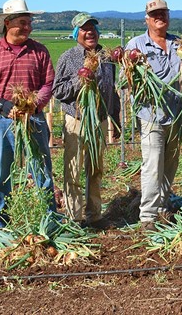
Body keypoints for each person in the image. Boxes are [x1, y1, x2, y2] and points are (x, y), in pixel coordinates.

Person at [0, 0, 56, 228]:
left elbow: (48, 83)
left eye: (29, 22)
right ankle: (1, 220)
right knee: (2, 172)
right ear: (7, 23)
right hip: (1, 121)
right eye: (22, 22)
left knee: (41, 171)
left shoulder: (39, 50)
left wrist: (35, 103)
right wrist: (2, 105)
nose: (27, 27)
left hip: (33, 119)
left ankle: (48, 218)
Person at [52, 13, 120, 230]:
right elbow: (58, 91)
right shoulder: (68, 57)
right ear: (76, 34)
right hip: (77, 121)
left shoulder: (107, 58)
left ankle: (94, 215)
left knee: (96, 170)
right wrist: (79, 79)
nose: (90, 32)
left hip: (98, 121)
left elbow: (112, 90)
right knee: (73, 170)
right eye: (84, 29)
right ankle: (75, 217)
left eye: (93, 28)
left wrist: (115, 118)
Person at [125, 0, 182, 231]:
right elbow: (126, 80)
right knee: (152, 165)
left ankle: (163, 207)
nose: (160, 17)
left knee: (170, 164)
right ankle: (148, 216)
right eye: (155, 14)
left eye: (164, 13)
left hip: (177, 114)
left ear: (168, 17)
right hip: (151, 115)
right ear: (147, 19)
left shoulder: (180, 44)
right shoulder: (135, 46)